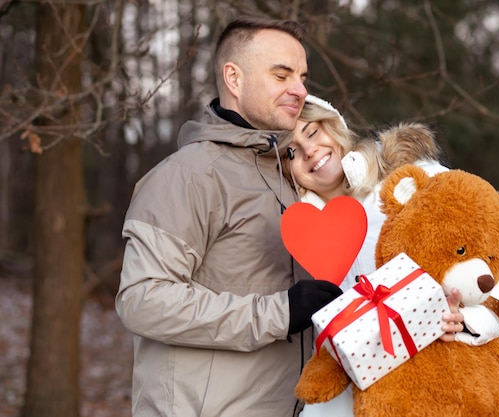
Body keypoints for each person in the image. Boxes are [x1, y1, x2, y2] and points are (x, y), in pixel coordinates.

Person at [115, 17, 346, 417]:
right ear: (234, 79)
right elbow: (142, 299)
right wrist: (280, 313)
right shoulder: (187, 176)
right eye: (282, 75)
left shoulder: (291, 177)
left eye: (303, 76)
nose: (301, 90)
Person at [283, 95, 499, 416]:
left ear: (333, 126)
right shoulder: (295, 232)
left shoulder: (413, 177)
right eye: (291, 151)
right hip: (356, 401)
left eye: (311, 132)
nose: (309, 151)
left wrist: (472, 322)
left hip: (447, 381)